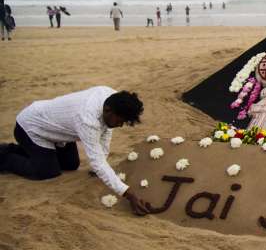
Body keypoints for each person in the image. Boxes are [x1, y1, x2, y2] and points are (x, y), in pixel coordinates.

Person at [0, 87, 152, 216]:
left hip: (60, 132)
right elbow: (97, 160)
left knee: (71, 164)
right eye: (120, 121)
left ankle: (35, 152)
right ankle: (6, 155)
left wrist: (100, 166)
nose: (120, 125)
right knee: (47, 172)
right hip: (31, 127)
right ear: (107, 110)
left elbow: (106, 133)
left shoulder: (112, 97)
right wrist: (129, 194)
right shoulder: (88, 119)